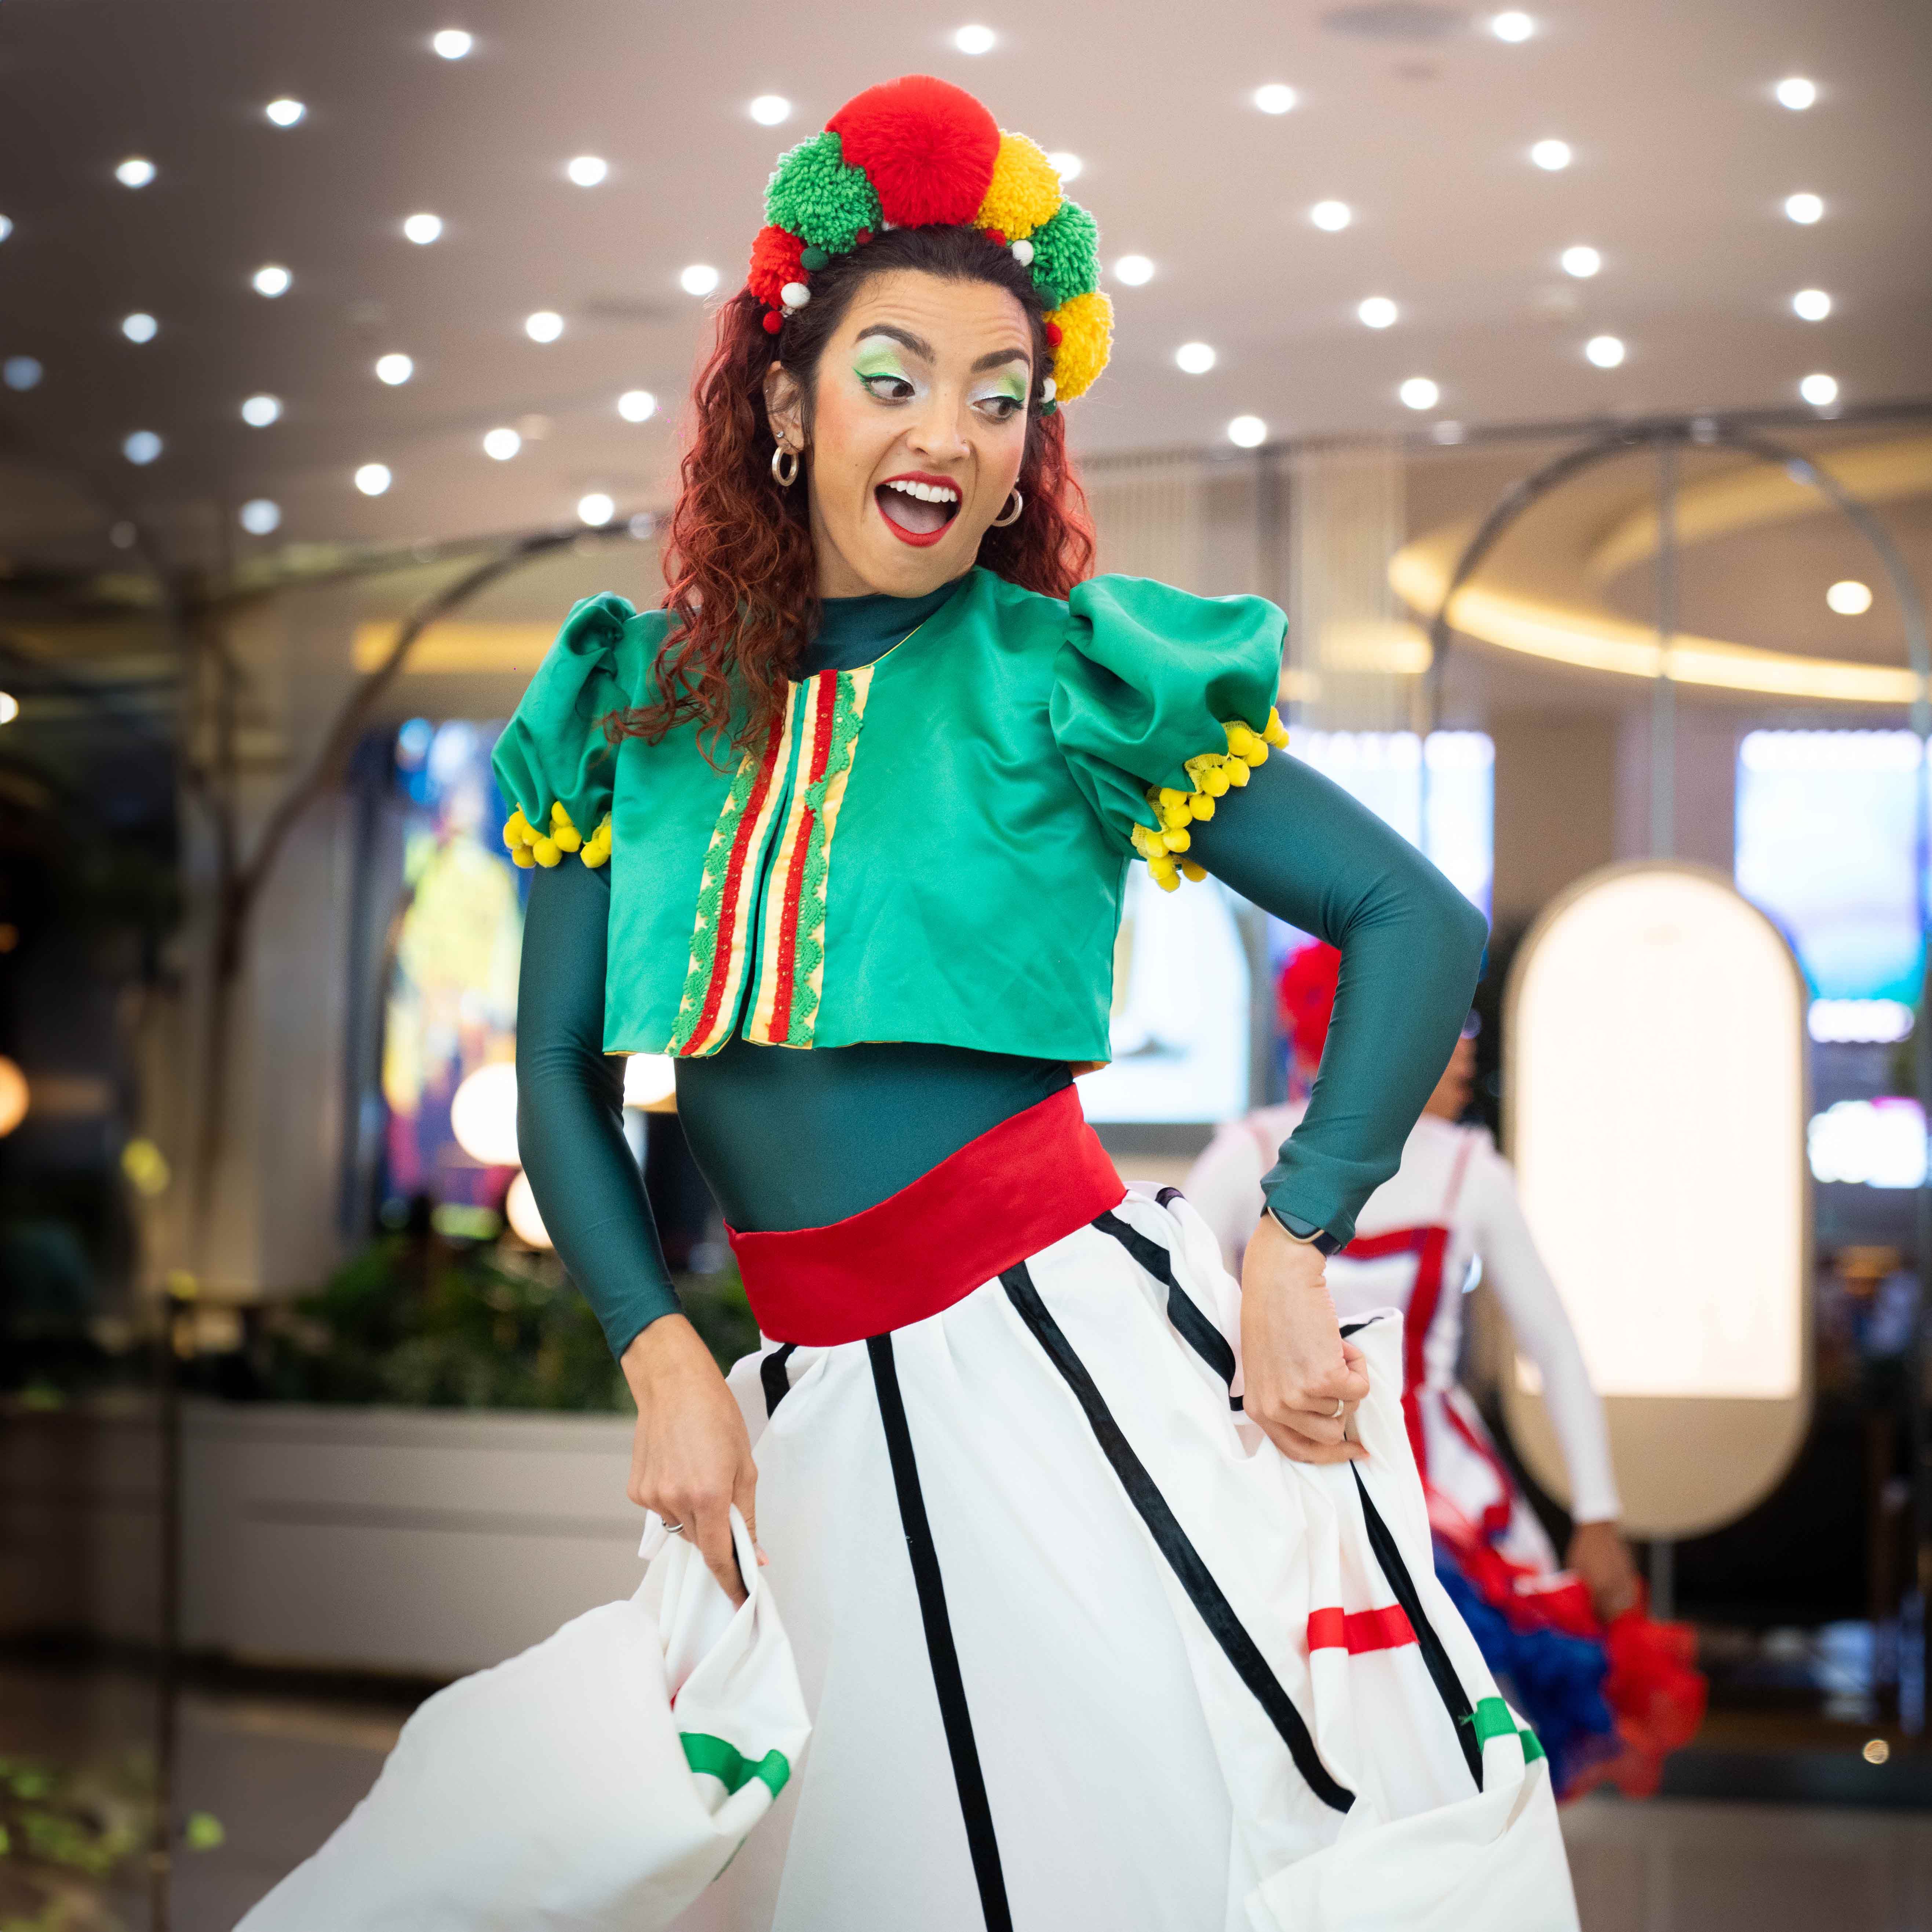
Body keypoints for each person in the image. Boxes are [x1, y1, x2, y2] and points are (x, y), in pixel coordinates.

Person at [497, 75, 1551, 1926]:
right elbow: (557, 1066)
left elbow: (1413, 916)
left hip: (1055, 1360)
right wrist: (655, 1350)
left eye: (1002, 396)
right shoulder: (629, 704)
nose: (950, 432)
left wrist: (1293, 1237)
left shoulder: (1065, 676)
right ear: (783, 403)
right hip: (804, 1400)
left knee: (1139, 1861)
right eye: (891, 375)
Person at [1188, 940, 1704, 1796]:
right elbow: (1175, 1314)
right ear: (1370, 1033)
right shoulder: (1247, 1153)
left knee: (1474, 1745)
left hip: (1448, 1503)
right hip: (1285, 1479)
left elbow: (1553, 1342)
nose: (1466, 1048)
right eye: (1443, 1023)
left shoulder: (1469, 1169)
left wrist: (1598, 1511)